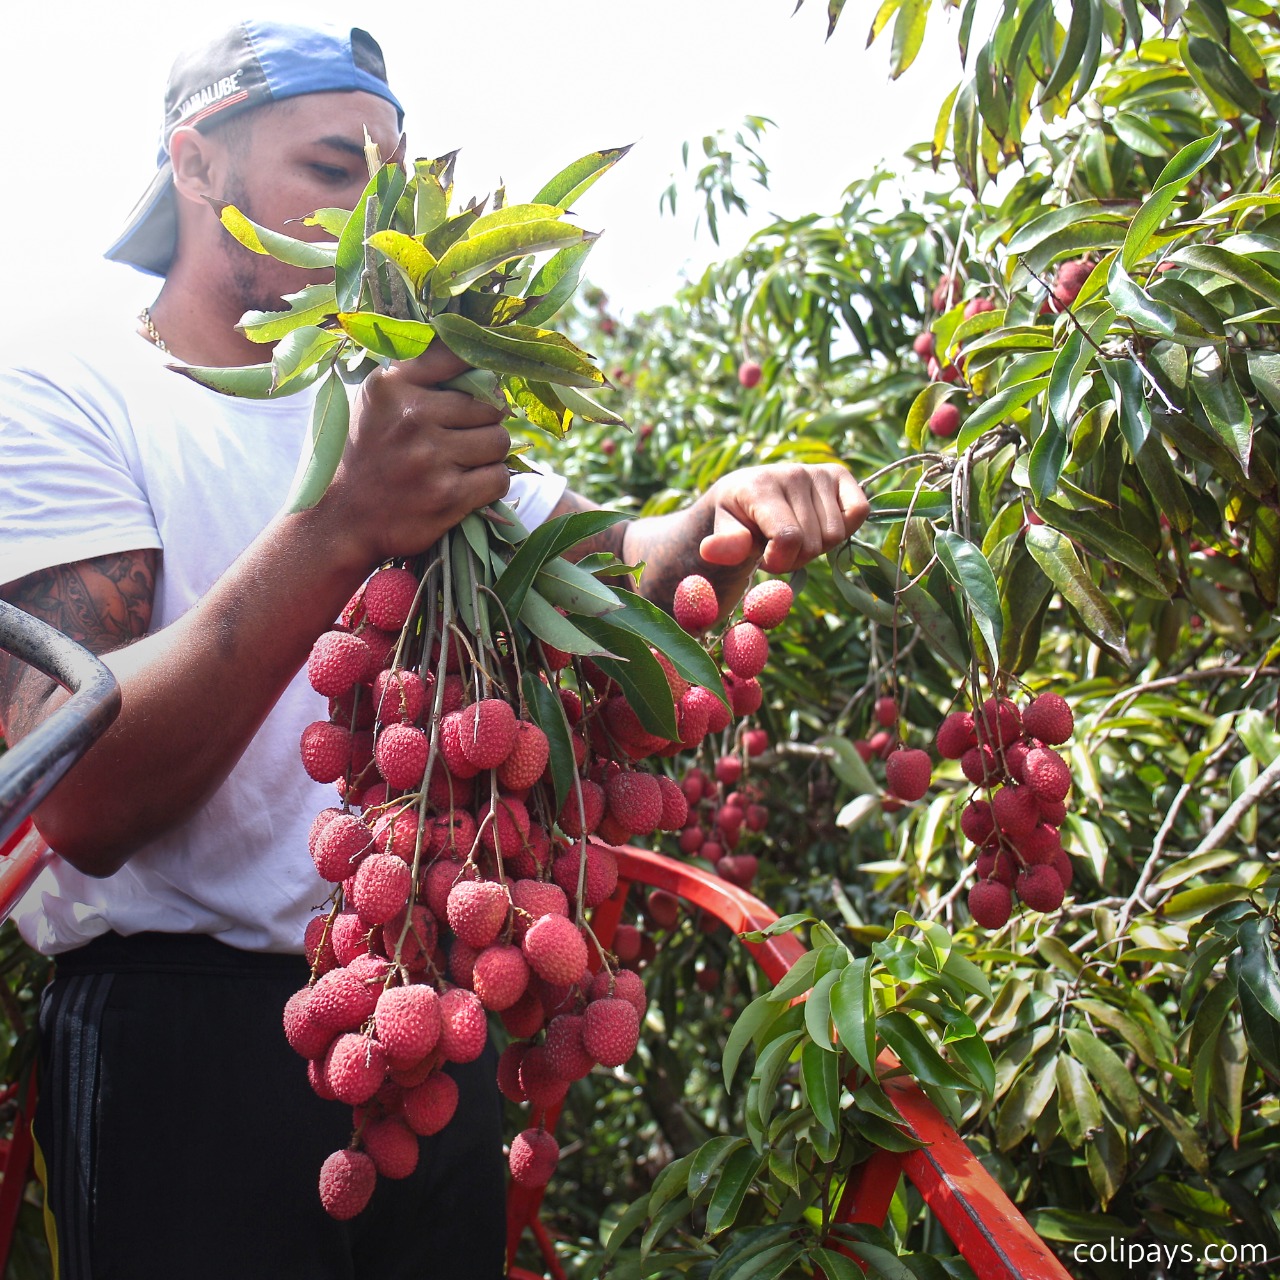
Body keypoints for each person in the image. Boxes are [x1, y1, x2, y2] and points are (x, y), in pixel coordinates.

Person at [0, 20, 868, 1279]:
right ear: (195, 167)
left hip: (426, 1006)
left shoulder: (396, 411)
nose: (370, 219)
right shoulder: (62, 389)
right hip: (174, 1042)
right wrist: (345, 518)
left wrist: (718, 517)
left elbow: (596, 570)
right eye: (332, 170)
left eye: (390, 183)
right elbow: (78, 792)